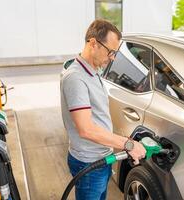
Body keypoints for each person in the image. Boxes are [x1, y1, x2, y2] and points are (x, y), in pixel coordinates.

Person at [60, 19, 146, 200]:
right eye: (111, 52)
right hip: (89, 163)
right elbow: (86, 129)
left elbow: (98, 117)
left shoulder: (94, 70)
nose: (113, 57)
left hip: (101, 158)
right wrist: (128, 145)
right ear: (93, 43)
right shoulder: (76, 78)